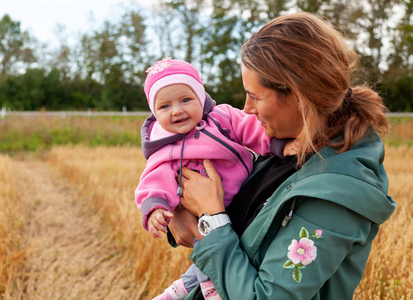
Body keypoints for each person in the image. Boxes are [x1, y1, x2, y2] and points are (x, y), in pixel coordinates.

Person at [168, 12, 396, 299]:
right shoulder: (287, 148)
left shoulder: (337, 196)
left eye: (255, 96)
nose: (247, 109)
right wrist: (177, 211)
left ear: (300, 96)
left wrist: (211, 220)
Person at [135, 58, 272, 299]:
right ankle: (211, 291)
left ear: (200, 96)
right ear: (155, 113)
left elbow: (254, 129)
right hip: (203, 214)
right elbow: (154, 179)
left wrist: (278, 142)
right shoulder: (165, 147)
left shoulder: (223, 118)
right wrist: (156, 207)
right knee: (207, 245)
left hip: (244, 201)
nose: (177, 110)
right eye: (165, 106)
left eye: (186, 100)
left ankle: (179, 289)